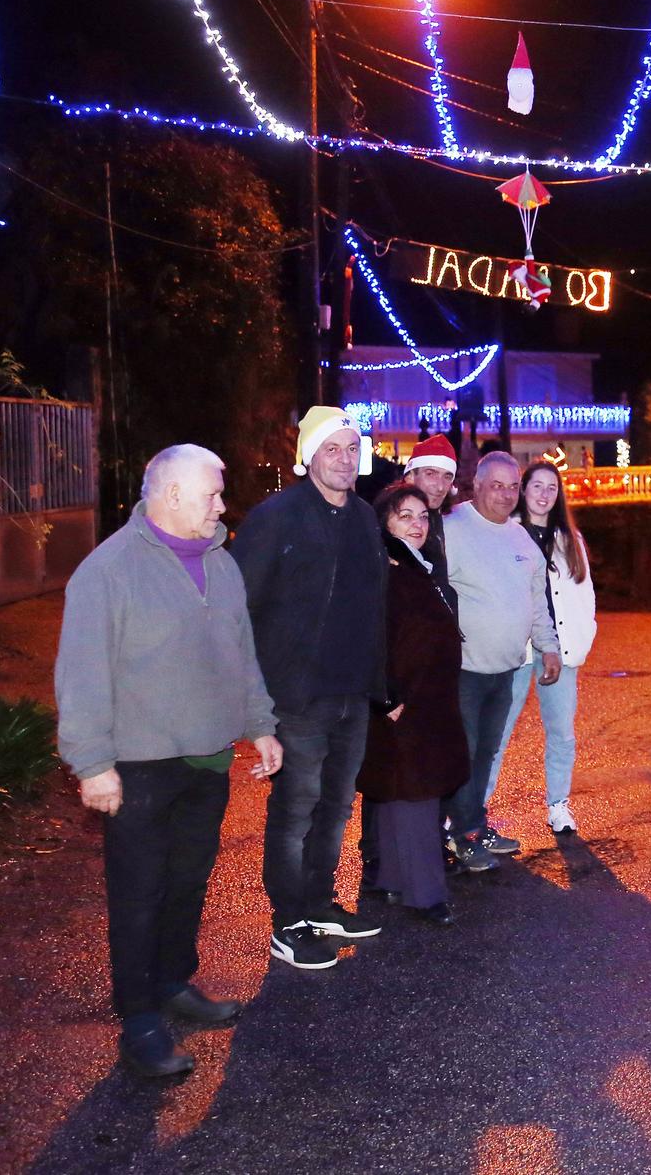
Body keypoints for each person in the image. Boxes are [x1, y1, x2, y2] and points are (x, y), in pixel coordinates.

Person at [55, 445, 285, 1078]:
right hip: (139, 763)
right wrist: (91, 762)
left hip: (207, 758)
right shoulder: (109, 571)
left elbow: (242, 652)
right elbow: (81, 673)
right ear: (173, 494)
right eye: (212, 494)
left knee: (187, 882)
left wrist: (260, 723)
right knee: (138, 892)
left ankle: (173, 983)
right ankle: (139, 1018)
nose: (221, 504)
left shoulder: (222, 563)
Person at [231, 408, 388, 971]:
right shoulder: (276, 517)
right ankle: (288, 922)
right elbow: (239, 605)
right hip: (296, 696)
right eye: (332, 450)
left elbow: (374, 605)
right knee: (296, 810)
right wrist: (252, 700)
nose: (344, 460)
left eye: (351, 449)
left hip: (352, 692)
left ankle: (319, 904)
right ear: (309, 456)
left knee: (336, 807)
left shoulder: (366, 518)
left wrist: (382, 682)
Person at [441, 448, 561, 871]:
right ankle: (461, 836)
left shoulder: (520, 537)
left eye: (513, 487)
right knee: (463, 755)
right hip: (464, 671)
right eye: (497, 486)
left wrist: (549, 645)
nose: (507, 495)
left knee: (486, 754)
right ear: (477, 485)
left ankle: (474, 825)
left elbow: (536, 600)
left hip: (506, 669)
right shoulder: (452, 529)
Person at [358, 482, 471, 926]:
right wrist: (385, 697)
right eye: (404, 515)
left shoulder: (416, 564)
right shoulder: (384, 567)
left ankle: (391, 877)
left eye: (423, 516)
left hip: (428, 699)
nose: (417, 524)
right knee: (415, 795)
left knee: (398, 792)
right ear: (384, 521)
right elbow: (369, 636)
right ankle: (425, 894)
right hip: (404, 702)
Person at [485, 460, 599, 835]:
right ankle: (476, 807)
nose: (544, 494)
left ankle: (559, 804)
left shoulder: (570, 540)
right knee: (497, 732)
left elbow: (584, 595)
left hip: (560, 650)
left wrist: (583, 639)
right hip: (516, 649)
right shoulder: (506, 534)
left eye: (552, 487)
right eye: (537, 486)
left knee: (562, 731)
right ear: (523, 489)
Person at [402, 433, 460, 571]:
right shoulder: (393, 519)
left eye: (447, 476)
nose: (440, 486)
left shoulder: (440, 519)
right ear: (410, 476)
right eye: (430, 474)